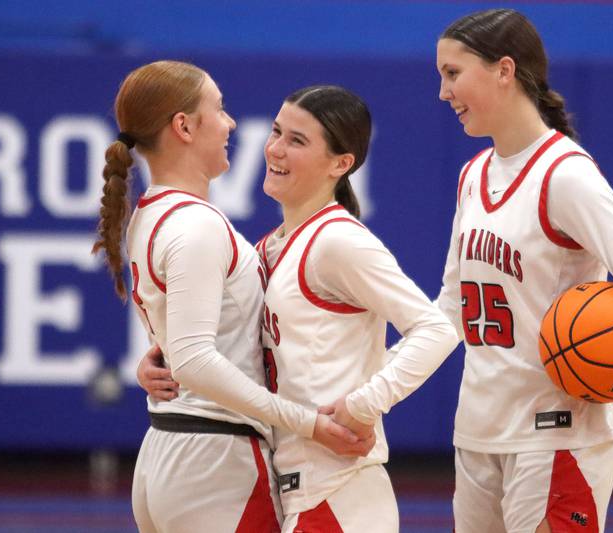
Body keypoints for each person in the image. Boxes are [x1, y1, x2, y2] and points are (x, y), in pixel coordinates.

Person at [138, 84, 459, 532]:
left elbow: (436, 329)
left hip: (339, 489)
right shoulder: (267, 249)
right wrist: (160, 358)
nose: (276, 149)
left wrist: (365, 402)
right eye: (276, 132)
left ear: (341, 164)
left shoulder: (338, 241)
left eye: (297, 140)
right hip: (292, 484)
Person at [433, 9, 613, 533]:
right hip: (477, 436)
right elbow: (449, 310)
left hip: (555, 439)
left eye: (453, 73)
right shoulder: (471, 174)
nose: (443, 92)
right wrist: (374, 395)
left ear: (505, 70)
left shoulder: (564, 175)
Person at [93, 61, 372, 533]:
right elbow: (197, 359)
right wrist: (307, 421)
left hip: (168, 453)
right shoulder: (196, 224)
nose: (231, 123)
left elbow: (187, 345)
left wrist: (159, 360)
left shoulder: (152, 214)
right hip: (216, 461)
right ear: (183, 126)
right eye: (218, 109)